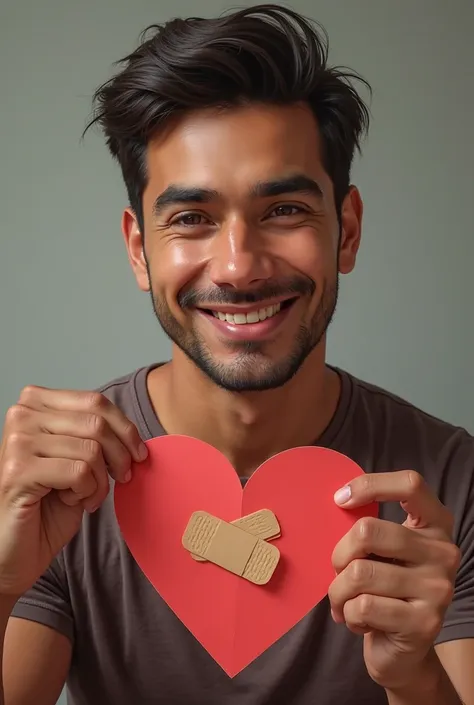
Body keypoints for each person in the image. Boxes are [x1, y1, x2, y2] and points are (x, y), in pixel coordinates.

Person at [0, 4, 472, 704]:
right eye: (192, 218)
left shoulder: (448, 484)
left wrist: (411, 677)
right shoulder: (66, 488)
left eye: (283, 210)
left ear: (346, 230)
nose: (238, 266)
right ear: (139, 249)